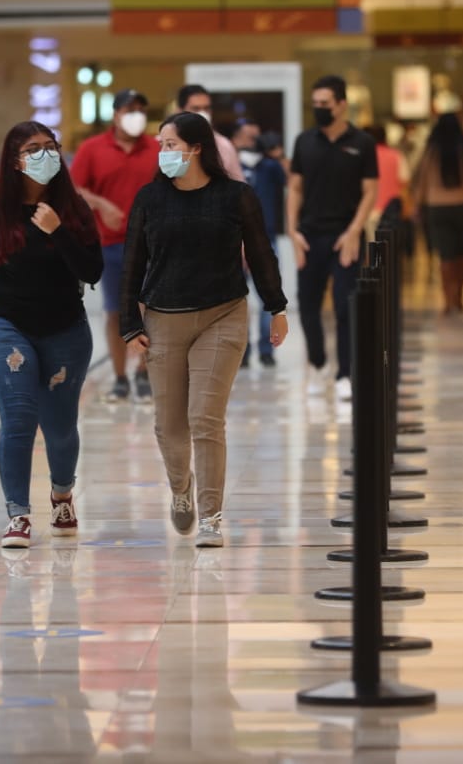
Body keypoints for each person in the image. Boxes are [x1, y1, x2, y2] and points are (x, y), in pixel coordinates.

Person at [120, 112, 288, 548]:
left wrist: (277, 306)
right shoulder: (149, 199)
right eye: (161, 145)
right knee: (169, 423)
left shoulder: (236, 196)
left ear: (197, 148)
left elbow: (261, 252)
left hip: (223, 314)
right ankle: (182, 489)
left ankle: (212, 516)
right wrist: (128, 321)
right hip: (162, 318)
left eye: (171, 144)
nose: (163, 153)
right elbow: (132, 264)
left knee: (205, 419)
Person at [0, 121, 103, 550]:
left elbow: (92, 272)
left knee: (59, 425)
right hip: (7, 325)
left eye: (50, 146)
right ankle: (17, 513)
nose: (44, 154)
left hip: (66, 329)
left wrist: (59, 231)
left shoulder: (73, 209)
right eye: (33, 148)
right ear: (15, 161)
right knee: (17, 418)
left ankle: (62, 495)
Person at [286, 74, 379, 402]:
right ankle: (318, 363)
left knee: (345, 307)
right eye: (315, 105)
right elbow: (295, 187)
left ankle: (345, 374)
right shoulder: (304, 141)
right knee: (307, 306)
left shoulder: (362, 143)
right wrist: (292, 230)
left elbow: (370, 191)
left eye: (324, 104)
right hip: (309, 237)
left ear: (342, 105)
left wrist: (355, 230)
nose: (319, 109)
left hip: (346, 238)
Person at [70, 89, 159, 403]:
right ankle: (120, 376)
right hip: (109, 242)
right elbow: (74, 187)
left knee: (148, 310)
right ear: (116, 114)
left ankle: (144, 372)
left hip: (152, 243)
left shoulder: (156, 147)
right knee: (115, 311)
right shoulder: (93, 148)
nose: (135, 115)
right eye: (129, 109)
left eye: (140, 109)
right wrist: (101, 205)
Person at [413, 113, 463, 315]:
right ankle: (459, 298)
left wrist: (419, 204)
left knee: (445, 254)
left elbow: (422, 178)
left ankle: (447, 300)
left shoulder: (432, 149)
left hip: (437, 207)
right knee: (461, 253)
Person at [238, 126, 287, 368]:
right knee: (237, 299)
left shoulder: (270, 167)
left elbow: (292, 180)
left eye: (257, 135)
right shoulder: (231, 163)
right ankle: (242, 350)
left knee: (268, 295)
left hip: (266, 239)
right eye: (248, 135)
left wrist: (276, 154)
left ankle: (267, 349)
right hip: (235, 241)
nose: (253, 140)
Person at [175, 84, 245, 182]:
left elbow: (239, 185)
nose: (203, 113)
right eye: (196, 108)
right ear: (179, 111)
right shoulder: (165, 143)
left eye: (206, 108)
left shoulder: (224, 145)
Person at [364, 124, 412, 249]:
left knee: (372, 249)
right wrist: (406, 207)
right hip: (391, 211)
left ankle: (375, 267)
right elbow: (405, 184)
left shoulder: (362, 157)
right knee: (389, 251)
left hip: (367, 210)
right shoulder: (396, 155)